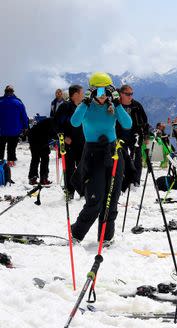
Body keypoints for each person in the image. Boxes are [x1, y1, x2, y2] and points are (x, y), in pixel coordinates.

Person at [69, 72, 132, 244]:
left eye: (106, 91)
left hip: (112, 153)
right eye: (98, 91)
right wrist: (86, 101)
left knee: (112, 198)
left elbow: (127, 124)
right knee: (95, 199)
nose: (103, 95)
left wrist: (118, 103)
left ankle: (106, 237)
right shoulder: (86, 107)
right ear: (92, 91)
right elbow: (74, 122)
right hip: (92, 154)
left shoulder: (112, 107)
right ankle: (76, 233)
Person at [116, 84, 149, 188]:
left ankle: (136, 181)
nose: (130, 96)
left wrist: (146, 136)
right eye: (128, 94)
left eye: (131, 94)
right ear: (121, 94)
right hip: (121, 136)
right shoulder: (117, 105)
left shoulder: (137, 105)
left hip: (136, 136)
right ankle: (125, 180)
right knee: (123, 159)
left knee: (137, 159)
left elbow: (144, 121)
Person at [55, 84, 85, 197]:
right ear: (76, 94)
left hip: (82, 142)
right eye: (82, 93)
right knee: (69, 167)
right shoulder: (65, 107)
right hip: (69, 143)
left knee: (82, 167)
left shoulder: (83, 106)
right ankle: (69, 191)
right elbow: (56, 124)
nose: (83, 95)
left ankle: (82, 191)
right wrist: (63, 136)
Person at [0, 85, 29, 168]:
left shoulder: (0, 102)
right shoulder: (18, 102)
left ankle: (0, 161)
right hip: (14, 130)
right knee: (11, 146)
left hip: (1, 130)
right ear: (13, 92)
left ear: (5, 92)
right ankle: (11, 161)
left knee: (1, 146)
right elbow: (24, 116)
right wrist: (25, 127)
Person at [27, 115, 57, 185]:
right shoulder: (55, 121)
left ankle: (38, 178)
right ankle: (38, 178)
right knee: (40, 158)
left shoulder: (54, 120)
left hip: (38, 136)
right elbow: (53, 133)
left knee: (40, 158)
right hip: (36, 137)